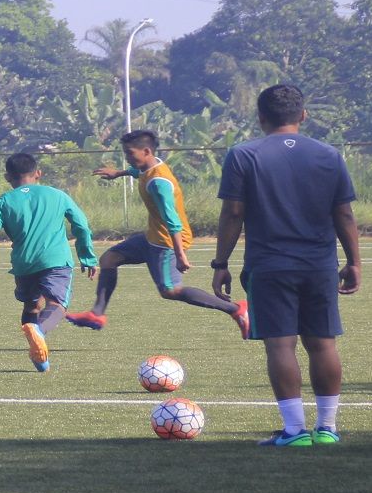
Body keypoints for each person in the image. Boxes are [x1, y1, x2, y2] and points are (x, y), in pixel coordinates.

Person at [212, 85, 360, 447]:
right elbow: (343, 212)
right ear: (303, 115)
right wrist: (354, 261)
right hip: (319, 264)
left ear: (261, 117)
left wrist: (220, 262)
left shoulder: (243, 155)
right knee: (323, 344)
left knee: (281, 346)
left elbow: (233, 212)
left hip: (270, 265)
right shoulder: (328, 154)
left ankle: (294, 432)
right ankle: (327, 429)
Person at [66, 129, 248, 337]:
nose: (127, 157)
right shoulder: (149, 167)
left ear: (146, 151)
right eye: (125, 153)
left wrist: (180, 255)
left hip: (167, 242)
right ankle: (96, 314)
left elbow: (173, 222)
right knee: (109, 258)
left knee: (171, 290)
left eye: (129, 153)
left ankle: (236, 309)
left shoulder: (158, 183)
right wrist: (118, 173)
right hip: (153, 237)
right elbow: (137, 173)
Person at [0, 153, 97, 372]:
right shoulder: (57, 195)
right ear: (38, 173)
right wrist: (87, 256)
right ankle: (39, 332)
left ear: (7, 177)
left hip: (24, 264)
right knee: (57, 305)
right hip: (55, 260)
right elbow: (81, 224)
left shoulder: (2, 202)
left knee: (32, 304)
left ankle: (39, 359)